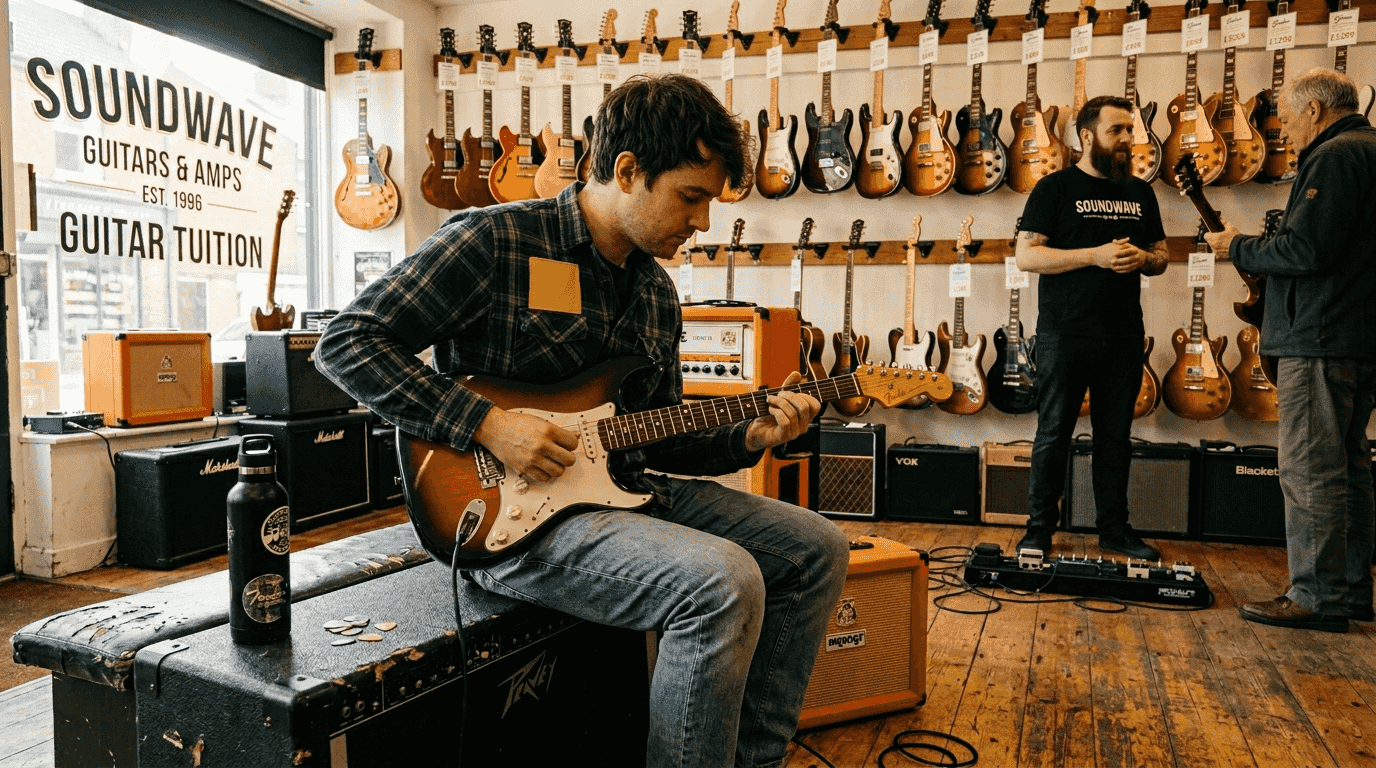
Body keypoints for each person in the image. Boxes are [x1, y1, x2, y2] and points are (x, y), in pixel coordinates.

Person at [314, 74, 850, 767]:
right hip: (510, 522)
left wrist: (750, 436)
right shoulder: (495, 240)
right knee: (723, 580)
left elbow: (661, 430)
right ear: (627, 170)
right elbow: (347, 342)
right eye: (691, 196)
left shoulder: (656, 292)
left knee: (818, 549)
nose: (703, 221)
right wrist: (486, 424)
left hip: (626, 495)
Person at [1203, 67, 1376, 634]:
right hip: (1357, 337)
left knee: (1308, 470)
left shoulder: (1335, 156)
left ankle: (1316, 596)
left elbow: (1306, 250)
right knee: (1348, 467)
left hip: (1320, 340)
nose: (1282, 131)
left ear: (1315, 111)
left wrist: (1238, 246)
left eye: (1286, 117)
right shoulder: (1369, 149)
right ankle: (1348, 591)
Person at [1013, 95, 1170, 562]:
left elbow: (1161, 256)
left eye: (1131, 131)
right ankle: (1039, 530)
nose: (1128, 140)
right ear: (1086, 136)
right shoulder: (1054, 189)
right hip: (1065, 333)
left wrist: (1145, 259)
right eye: (1117, 130)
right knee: (1053, 432)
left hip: (1122, 334)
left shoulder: (1141, 192)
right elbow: (1027, 255)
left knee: (1115, 438)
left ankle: (1114, 530)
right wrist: (1093, 255)